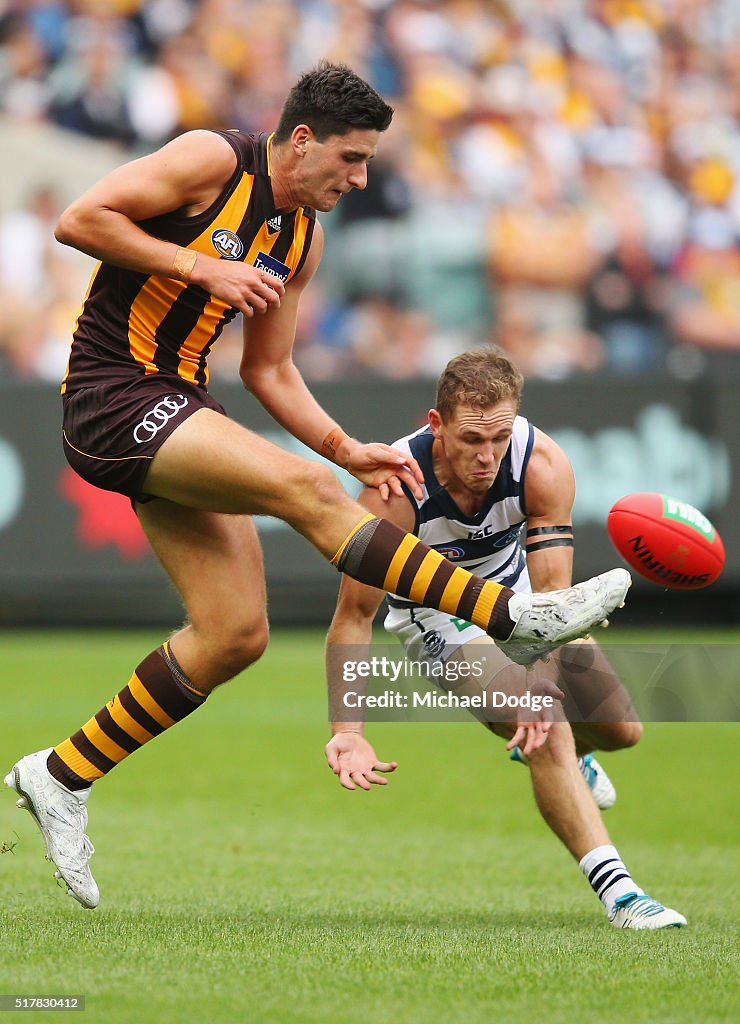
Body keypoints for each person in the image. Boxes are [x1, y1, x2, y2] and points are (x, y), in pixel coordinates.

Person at [4, 63, 629, 911]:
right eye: (351, 157)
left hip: (180, 399)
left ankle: (61, 774)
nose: (360, 177)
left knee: (235, 634)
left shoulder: (301, 234)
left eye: (368, 161)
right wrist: (199, 269)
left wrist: (351, 448)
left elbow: (271, 369)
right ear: (301, 139)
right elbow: (81, 220)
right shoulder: (210, 161)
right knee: (302, 487)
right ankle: (511, 616)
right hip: (113, 395)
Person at [325, 349, 686, 930]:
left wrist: (544, 672)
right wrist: (348, 731)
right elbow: (351, 618)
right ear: (436, 425)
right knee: (546, 727)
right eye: (471, 439)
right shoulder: (394, 494)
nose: (487, 456)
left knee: (622, 731)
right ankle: (622, 896)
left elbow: (552, 599)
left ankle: (573, 764)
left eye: (499, 435)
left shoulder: (541, 462)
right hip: (437, 621)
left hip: (523, 603)